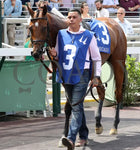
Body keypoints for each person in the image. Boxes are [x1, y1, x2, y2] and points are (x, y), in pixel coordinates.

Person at [49, 9, 101, 149]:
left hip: (82, 75)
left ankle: (71, 139)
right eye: (69, 17)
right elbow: (59, 56)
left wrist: (96, 76)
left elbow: (96, 58)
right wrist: (54, 55)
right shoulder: (61, 34)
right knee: (76, 106)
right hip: (66, 74)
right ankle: (83, 136)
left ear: (80, 19)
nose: (71, 19)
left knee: (76, 107)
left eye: (74, 17)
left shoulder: (89, 35)